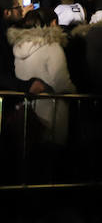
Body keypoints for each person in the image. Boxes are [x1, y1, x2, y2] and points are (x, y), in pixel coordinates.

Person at [8, 9, 76, 143]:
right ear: (54, 23)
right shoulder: (52, 47)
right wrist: (75, 93)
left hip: (26, 112)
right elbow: (61, 83)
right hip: (51, 113)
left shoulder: (18, 47)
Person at [0, 0, 47, 94]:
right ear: (7, 12)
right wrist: (26, 86)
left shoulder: (7, 29)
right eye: (18, 7)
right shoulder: (2, 35)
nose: (22, 10)